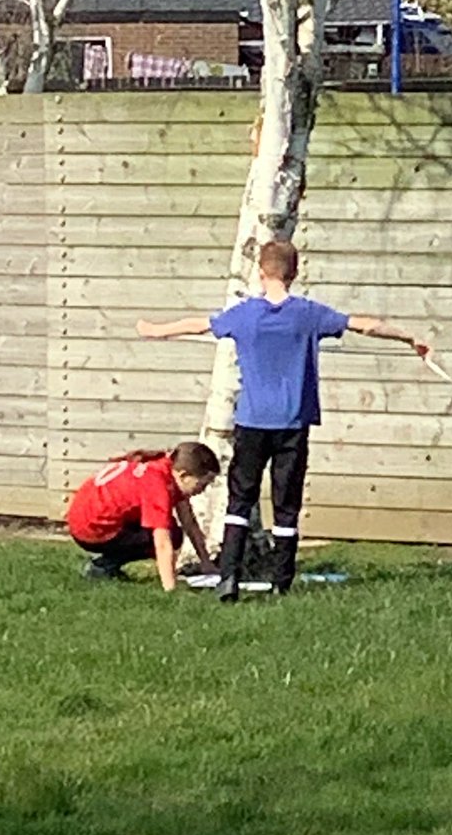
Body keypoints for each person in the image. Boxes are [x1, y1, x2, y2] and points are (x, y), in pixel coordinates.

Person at [136, 239, 427, 603]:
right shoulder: (308, 314)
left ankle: (229, 579)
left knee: (240, 502)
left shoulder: (244, 314)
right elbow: (364, 325)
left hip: (252, 424)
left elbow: (198, 325)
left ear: (261, 272)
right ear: (295, 272)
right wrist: (409, 337)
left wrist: (154, 330)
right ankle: (281, 582)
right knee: (286, 505)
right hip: (292, 426)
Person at [67, 441, 220, 590]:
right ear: (184, 475)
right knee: (172, 536)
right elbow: (162, 543)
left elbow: (188, 520)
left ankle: (107, 564)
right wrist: (170, 588)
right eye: (201, 484)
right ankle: (102, 566)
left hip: (85, 516)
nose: (203, 490)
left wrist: (206, 563)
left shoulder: (164, 466)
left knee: (172, 531)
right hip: (91, 529)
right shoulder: (158, 486)